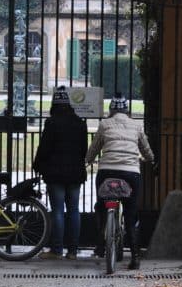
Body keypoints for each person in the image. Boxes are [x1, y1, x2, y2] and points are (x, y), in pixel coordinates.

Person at [86, 92, 154, 270]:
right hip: (130, 173)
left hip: (106, 171)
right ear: (127, 110)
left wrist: (88, 160)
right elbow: (146, 149)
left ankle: (101, 244)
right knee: (131, 215)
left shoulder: (104, 124)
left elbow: (94, 147)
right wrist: (150, 158)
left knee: (101, 205)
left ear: (111, 110)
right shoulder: (136, 126)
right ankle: (135, 257)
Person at [32, 86, 88, 260]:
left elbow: (44, 148)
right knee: (74, 210)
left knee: (57, 210)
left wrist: (37, 164)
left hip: (55, 172)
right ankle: (73, 250)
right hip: (75, 172)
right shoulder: (80, 122)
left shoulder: (52, 122)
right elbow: (83, 149)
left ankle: (57, 249)